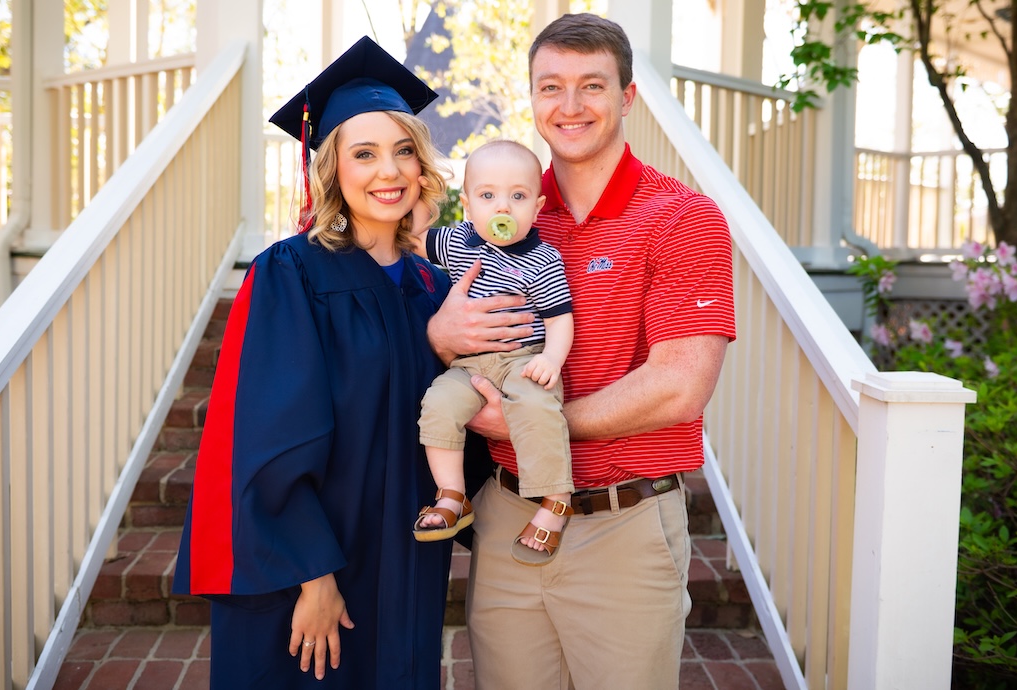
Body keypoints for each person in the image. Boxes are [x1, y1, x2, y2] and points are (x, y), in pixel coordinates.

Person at [427, 14, 736, 689]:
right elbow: (437, 316)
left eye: (592, 86)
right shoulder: (502, 210)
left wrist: (533, 428)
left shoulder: (682, 218)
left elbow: (679, 385)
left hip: (623, 524)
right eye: (551, 87)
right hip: (509, 513)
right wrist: (440, 335)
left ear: (627, 97)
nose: (569, 107)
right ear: (533, 98)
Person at [172, 36, 455, 689]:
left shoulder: (434, 290)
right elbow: (267, 437)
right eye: (364, 154)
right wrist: (313, 575)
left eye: (403, 151)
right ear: (329, 168)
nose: (389, 171)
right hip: (306, 573)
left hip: (406, 564)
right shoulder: (290, 273)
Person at [410, 140, 576, 567]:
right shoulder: (457, 243)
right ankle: (452, 494)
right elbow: (412, 238)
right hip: (470, 364)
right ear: (466, 204)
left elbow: (560, 319)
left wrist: (551, 360)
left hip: (523, 358)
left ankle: (555, 498)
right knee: (439, 402)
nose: (502, 208)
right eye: (487, 196)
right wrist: (424, 197)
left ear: (537, 207)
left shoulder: (542, 259)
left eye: (517, 197)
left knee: (536, 404)